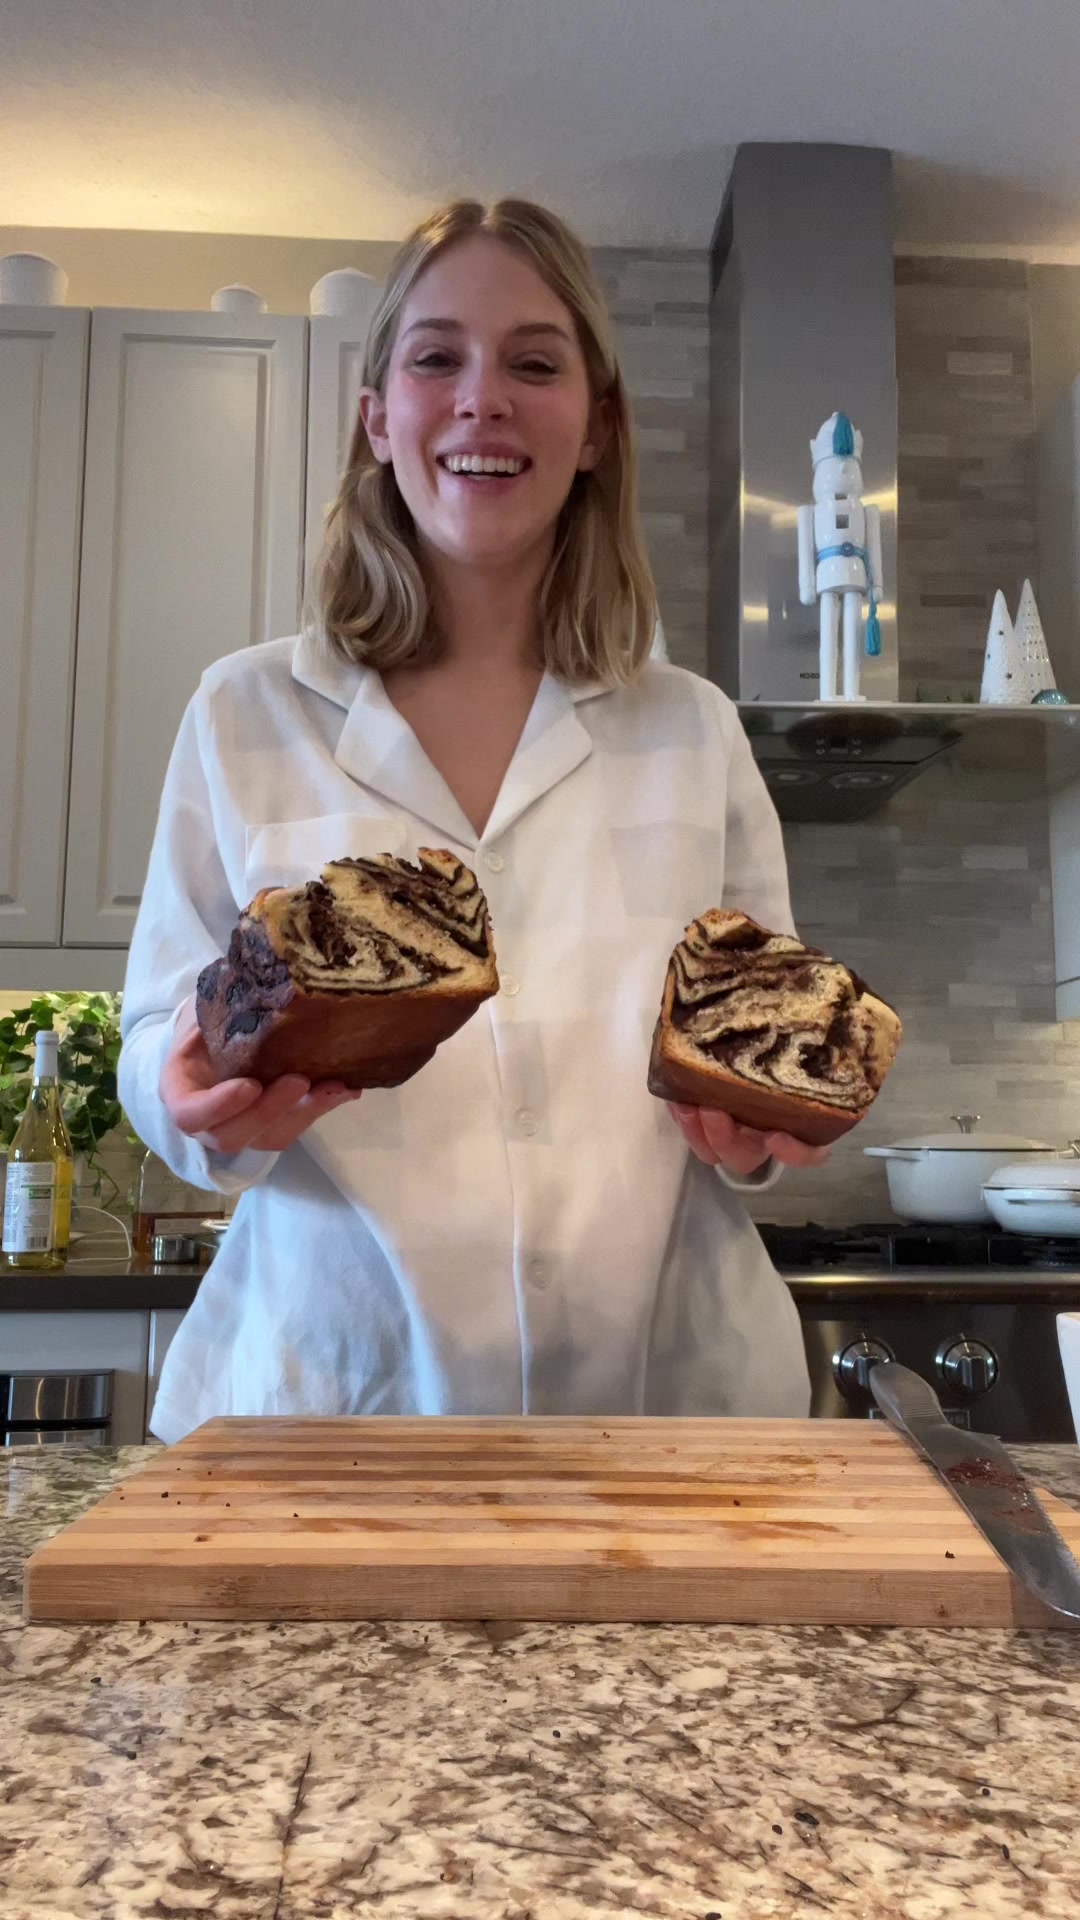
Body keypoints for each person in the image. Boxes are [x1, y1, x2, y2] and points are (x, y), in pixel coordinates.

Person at [119, 197, 826, 1444]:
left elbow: (756, 1052)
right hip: (334, 1414)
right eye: (437, 357)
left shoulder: (694, 730)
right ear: (376, 416)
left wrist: (759, 1134)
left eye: (535, 364)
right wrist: (182, 1090)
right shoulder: (245, 714)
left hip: (669, 1426)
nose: (482, 399)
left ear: (598, 426)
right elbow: (154, 1031)